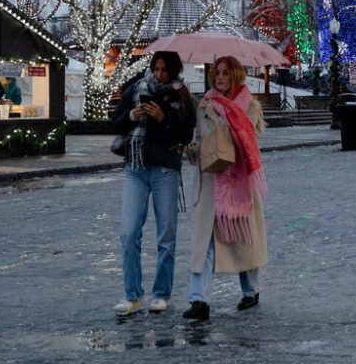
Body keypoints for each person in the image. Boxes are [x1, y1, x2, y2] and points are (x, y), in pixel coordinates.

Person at [182, 56, 268, 321]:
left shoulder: (249, 106)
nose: (219, 77)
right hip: (209, 182)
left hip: (238, 181)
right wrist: (191, 152)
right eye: (216, 72)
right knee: (204, 243)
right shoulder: (205, 105)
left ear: (235, 76)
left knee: (242, 237)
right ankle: (199, 300)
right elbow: (202, 144)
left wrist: (222, 116)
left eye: (225, 73)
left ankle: (251, 291)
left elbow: (241, 138)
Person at [110, 51, 196, 316]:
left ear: (174, 71)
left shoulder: (182, 96)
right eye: (156, 68)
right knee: (128, 232)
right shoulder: (136, 88)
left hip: (164, 170)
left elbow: (184, 133)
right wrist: (134, 116)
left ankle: (161, 294)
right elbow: (115, 122)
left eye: (165, 70)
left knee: (166, 235)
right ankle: (132, 295)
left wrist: (162, 117)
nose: (159, 74)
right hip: (136, 167)